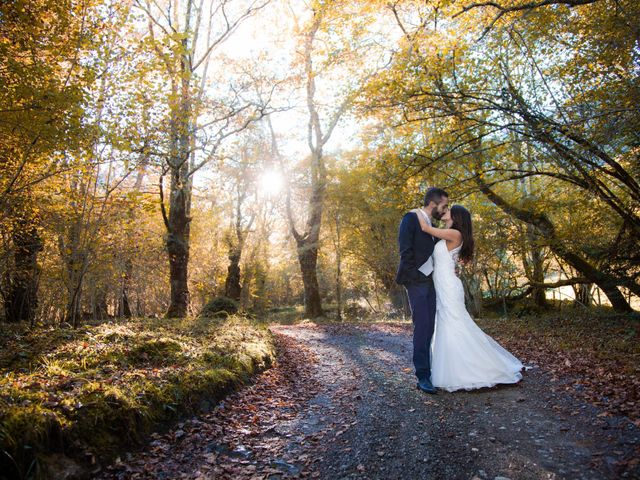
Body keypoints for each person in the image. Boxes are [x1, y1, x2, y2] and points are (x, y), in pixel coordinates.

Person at [410, 204, 523, 392]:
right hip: (444, 284)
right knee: (447, 324)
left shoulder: (455, 234)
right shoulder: (449, 232)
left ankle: (471, 369)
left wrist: (416, 212)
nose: (444, 210)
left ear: (457, 216)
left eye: (448, 209)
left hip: (448, 286)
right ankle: (452, 368)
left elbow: (426, 228)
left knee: (454, 324)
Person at [396, 187, 449, 394]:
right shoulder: (410, 218)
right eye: (443, 205)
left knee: (431, 328)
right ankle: (423, 377)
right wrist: (415, 277)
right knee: (423, 326)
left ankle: (431, 370)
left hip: (431, 282)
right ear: (433, 204)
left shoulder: (432, 225)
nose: (444, 209)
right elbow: (405, 250)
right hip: (416, 281)